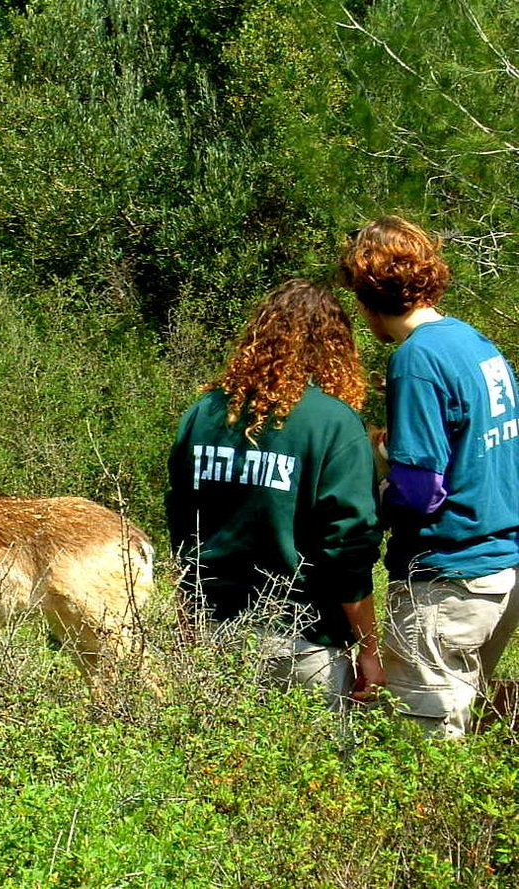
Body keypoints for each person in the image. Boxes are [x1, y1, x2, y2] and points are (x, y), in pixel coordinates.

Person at [165, 279, 384, 709]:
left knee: (211, 767)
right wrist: (370, 649)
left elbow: (181, 521)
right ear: (335, 348)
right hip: (302, 639)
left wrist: (186, 612)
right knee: (312, 771)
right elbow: (348, 545)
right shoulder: (335, 424)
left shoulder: (203, 414)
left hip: (214, 632)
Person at [339, 216, 519, 736]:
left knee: (425, 748)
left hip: (447, 579)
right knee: (461, 730)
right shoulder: (476, 344)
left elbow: (421, 491)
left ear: (367, 293)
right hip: (499, 573)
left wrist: (370, 502)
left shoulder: (416, 360)